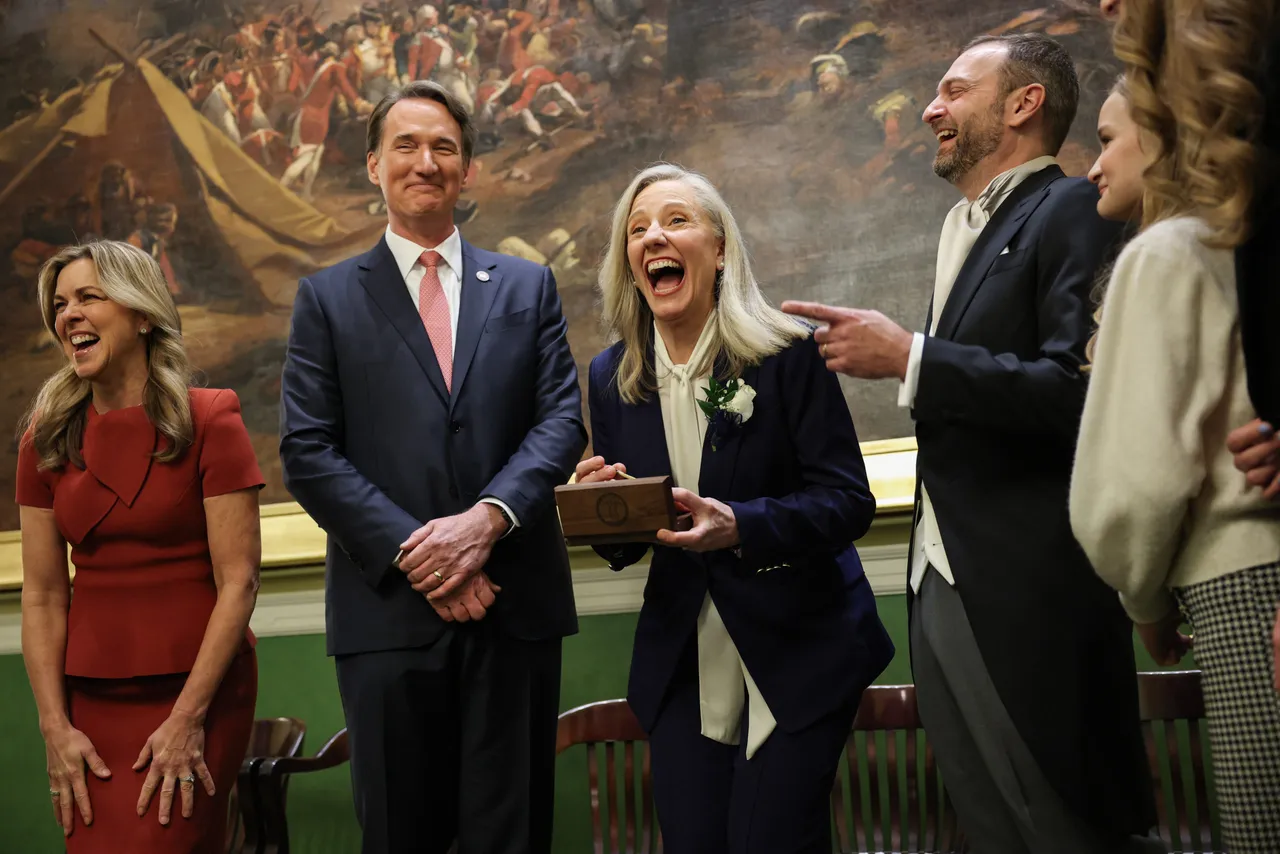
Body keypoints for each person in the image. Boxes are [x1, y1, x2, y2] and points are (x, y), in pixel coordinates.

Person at [782, 33, 1160, 853]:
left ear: (1023, 105)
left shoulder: (1069, 207)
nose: (930, 108)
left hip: (1027, 584)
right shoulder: (964, 228)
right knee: (991, 828)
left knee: (1064, 827)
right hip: (941, 576)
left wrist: (910, 357)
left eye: (954, 91)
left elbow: (1079, 391)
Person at [278, 80, 586, 854]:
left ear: (468, 170)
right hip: (388, 617)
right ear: (374, 167)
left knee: (509, 834)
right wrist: (429, 559)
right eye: (407, 146)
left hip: (513, 605)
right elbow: (307, 452)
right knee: (400, 833)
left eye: (444, 147)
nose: (426, 161)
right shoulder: (325, 300)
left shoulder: (526, 285)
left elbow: (560, 423)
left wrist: (485, 523)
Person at [579, 163, 894, 853]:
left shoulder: (784, 353)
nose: (653, 236)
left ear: (720, 250)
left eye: (675, 220)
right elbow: (627, 547)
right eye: (637, 230)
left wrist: (742, 527)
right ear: (629, 265)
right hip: (683, 660)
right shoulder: (612, 375)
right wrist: (606, 509)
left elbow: (846, 502)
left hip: (799, 647)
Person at [1071, 0, 1280, 845]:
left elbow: (1137, 488)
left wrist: (1140, 595)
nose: (1091, 164)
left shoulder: (1165, 255)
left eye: (1109, 138)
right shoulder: (1247, 238)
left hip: (1237, 588)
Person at [16, 240, 262, 853]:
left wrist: (187, 717)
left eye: (89, 298)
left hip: (196, 698)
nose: (68, 314)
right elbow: (44, 595)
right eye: (60, 303)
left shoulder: (211, 418)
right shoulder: (43, 439)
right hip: (89, 708)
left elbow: (239, 583)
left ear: (143, 313)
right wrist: (53, 726)